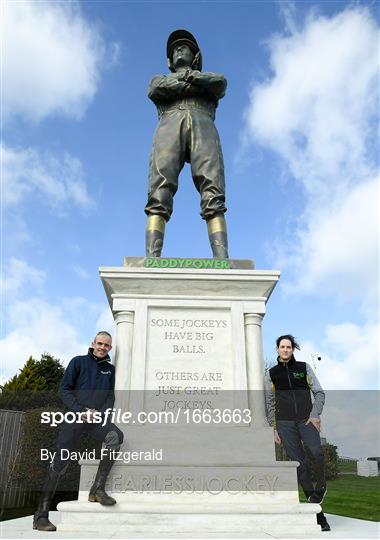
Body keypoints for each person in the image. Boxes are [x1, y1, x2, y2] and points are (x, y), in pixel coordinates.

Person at [145, 29, 229, 259]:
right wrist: (193, 82)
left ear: (196, 56)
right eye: (174, 49)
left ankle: (221, 258)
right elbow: (156, 88)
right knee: (160, 186)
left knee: (213, 188)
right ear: (169, 60)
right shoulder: (159, 79)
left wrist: (191, 79)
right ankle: (153, 257)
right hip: (169, 124)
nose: (178, 50)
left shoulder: (211, 79)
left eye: (184, 47)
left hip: (203, 123)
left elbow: (220, 83)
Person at [33, 331, 124, 532]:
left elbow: (110, 397)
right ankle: (40, 515)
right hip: (74, 417)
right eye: (99, 343)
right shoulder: (78, 362)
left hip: (96, 419)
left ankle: (97, 489)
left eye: (106, 345)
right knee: (60, 461)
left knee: (116, 436)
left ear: (110, 348)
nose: (102, 347)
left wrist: (100, 415)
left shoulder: (110, 370)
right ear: (93, 343)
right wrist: (80, 411)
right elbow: (64, 390)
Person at [265, 334, 331, 532]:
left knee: (316, 452)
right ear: (277, 349)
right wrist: (273, 427)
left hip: (306, 419)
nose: (285, 350)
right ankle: (318, 513)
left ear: (293, 349)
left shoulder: (303, 368)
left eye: (289, 347)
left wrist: (315, 414)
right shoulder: (271, 373)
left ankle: (321, 487)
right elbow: (269, 401)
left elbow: (319, 392)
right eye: (282, 347)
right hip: (285, 424)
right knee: (299, 464)